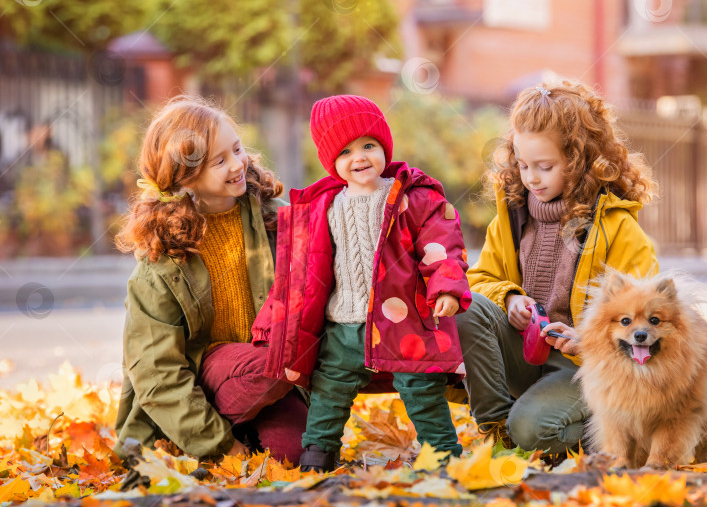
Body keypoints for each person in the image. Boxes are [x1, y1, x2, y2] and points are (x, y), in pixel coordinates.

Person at [251, 95, 471, 472]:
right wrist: (271, 320)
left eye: (369, 145)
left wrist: (447, 285)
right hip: (343, 324)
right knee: (328, 390)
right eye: (346, 152)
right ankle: (318, 453)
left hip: (405, 321)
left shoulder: (412, 197)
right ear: (332, 163)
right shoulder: (323, 206)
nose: (360, 158)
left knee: (420, 389)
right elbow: (298, 274)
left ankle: (444, 456)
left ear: (384, 147)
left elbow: (441, 243)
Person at [456, 82, 659, 454]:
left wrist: (588, 342)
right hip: (523, 356)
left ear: (579, 161)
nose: (531, 177)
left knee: (535, 431)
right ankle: (498, 428)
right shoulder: (511, 216)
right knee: (464, 305)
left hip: (583, 370)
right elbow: (479, 280)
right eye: (522, 164)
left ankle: (616, 435)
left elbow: (644, 320)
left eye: (544, 166)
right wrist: (510, 296)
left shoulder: (618, 229)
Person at [113, 95, 307, 463]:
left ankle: (249, 426)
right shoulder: (161, 264)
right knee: (274, 361)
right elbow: (158, 374)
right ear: (186, 177)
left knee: (296, 455)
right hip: (206, 382)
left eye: (237, 149)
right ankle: (206, 435)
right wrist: (223, 448)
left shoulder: (275, 221)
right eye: (220, 160)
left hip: (270, 381)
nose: (237, 165)